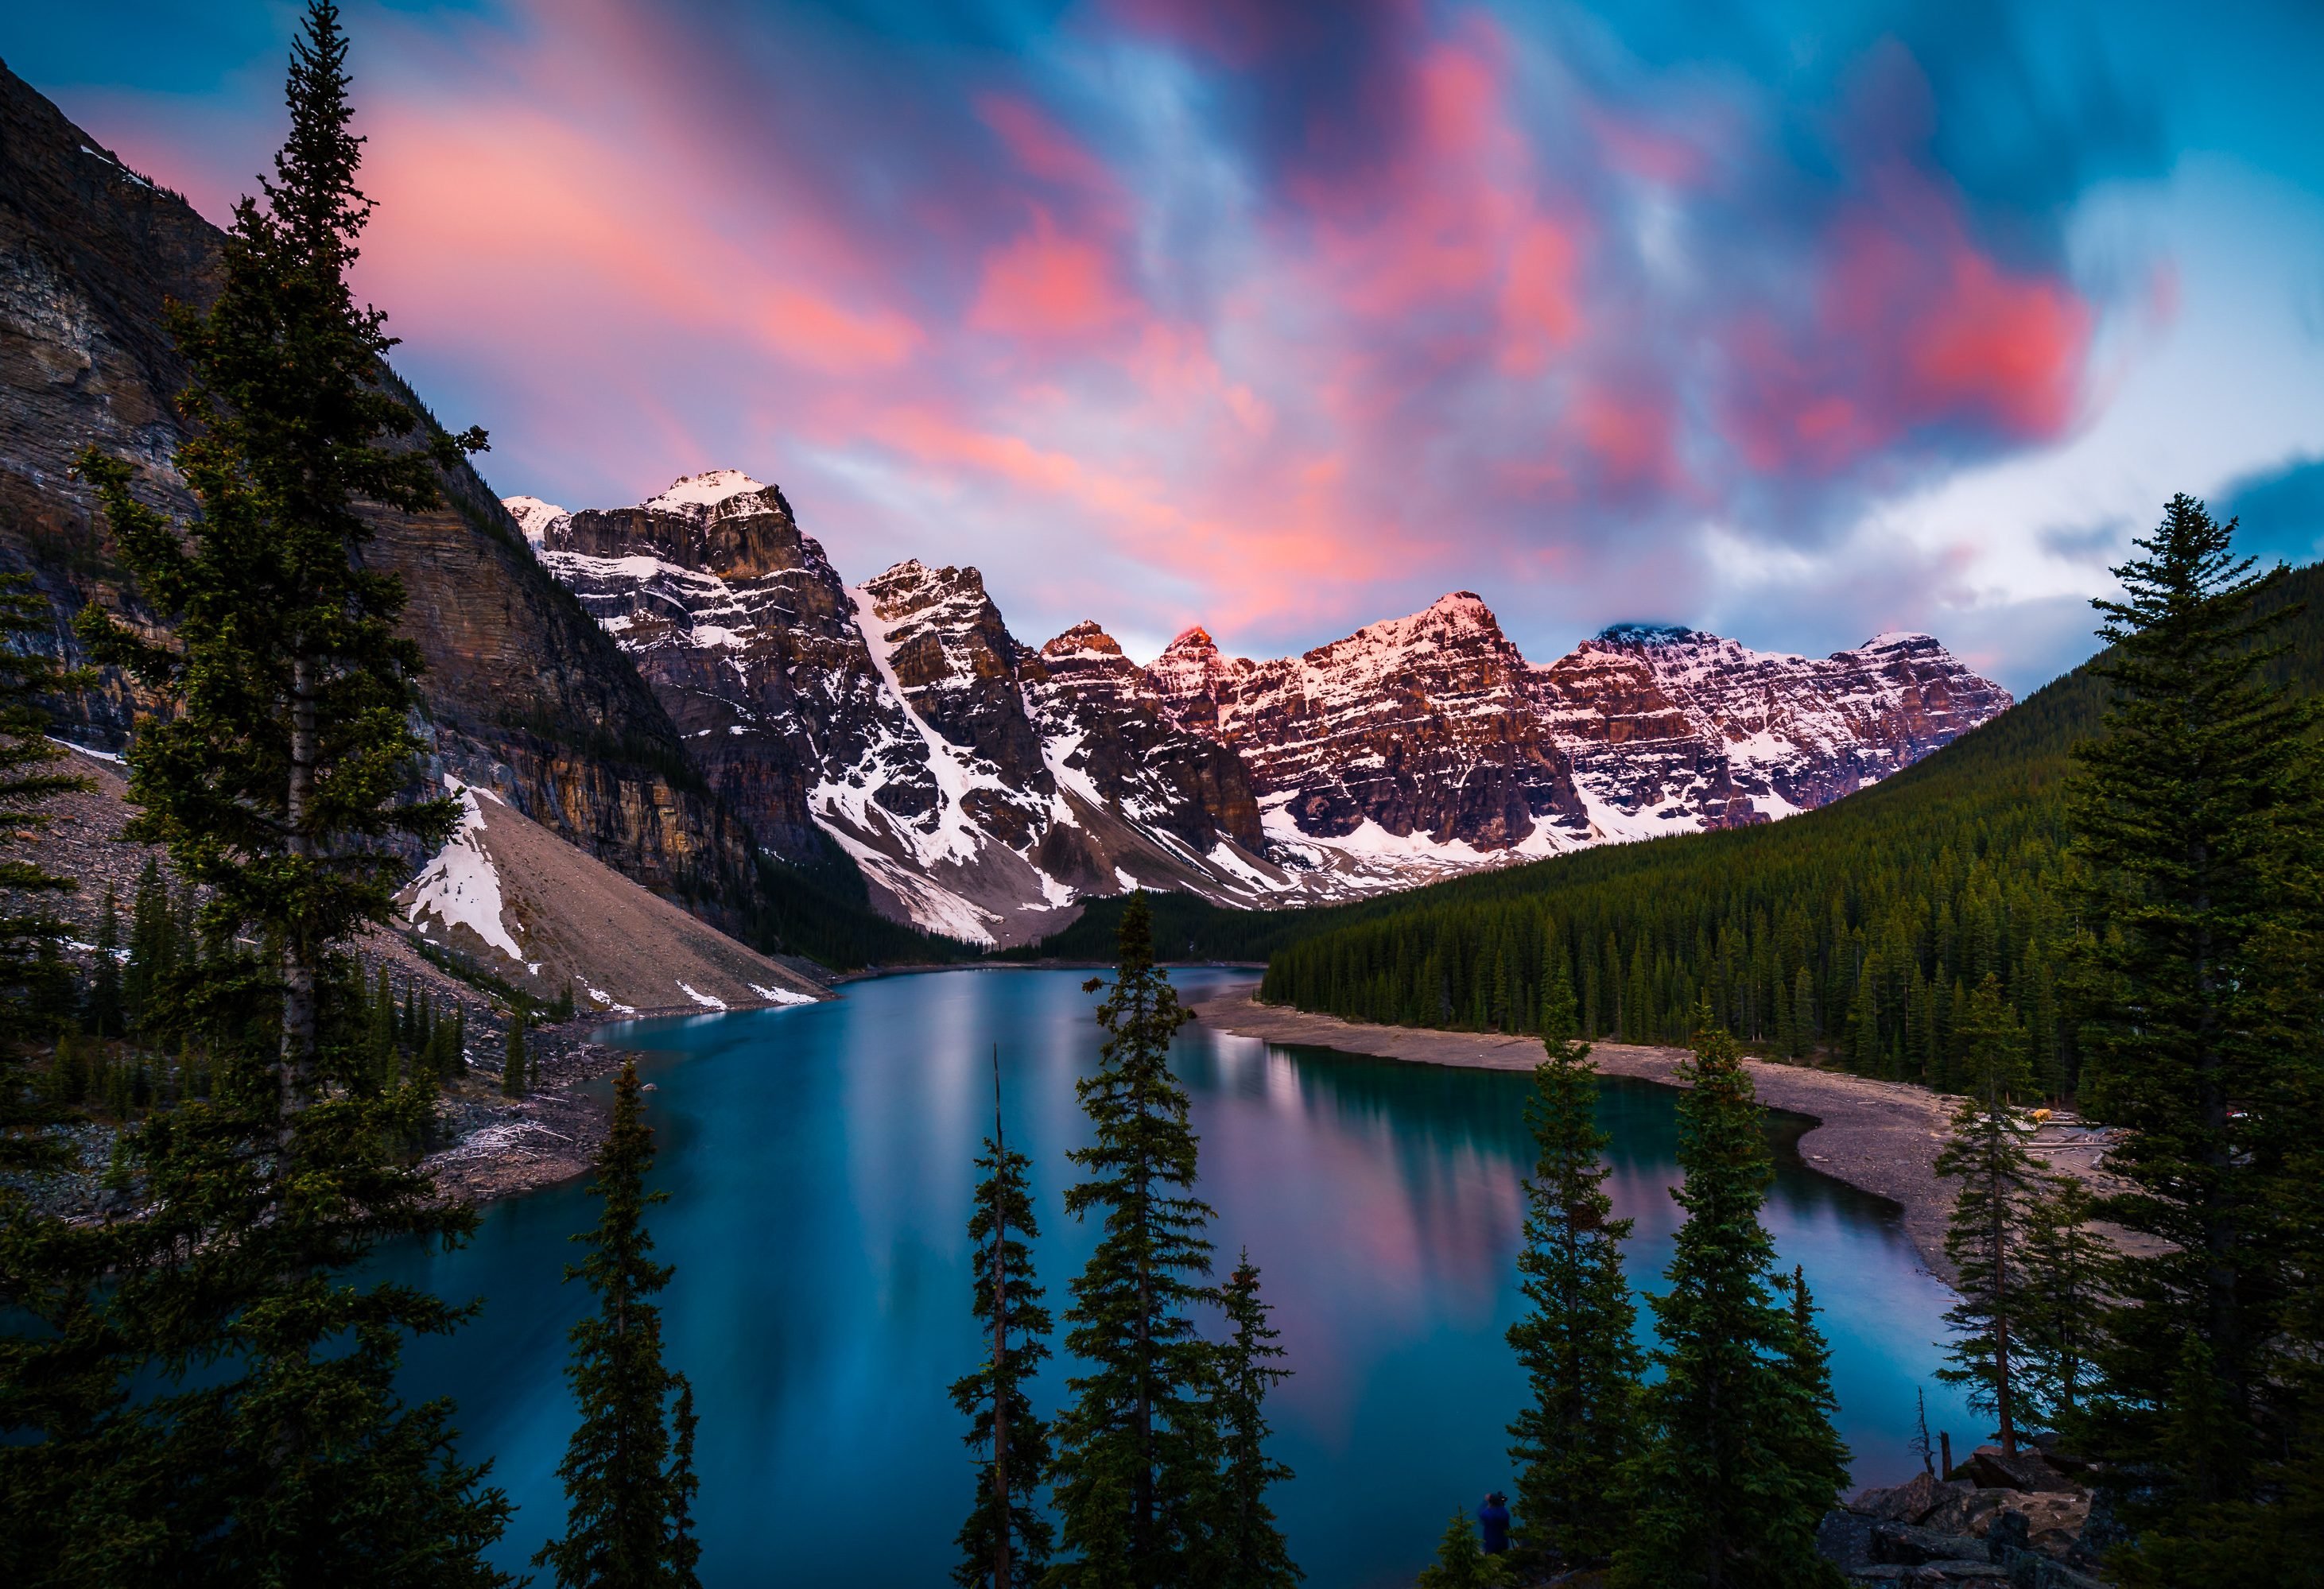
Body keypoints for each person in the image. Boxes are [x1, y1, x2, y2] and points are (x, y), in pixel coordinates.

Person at [1476, 1491, 1511, 1556]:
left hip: (1491, 1545)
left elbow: (1481, 1513)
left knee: (1491, 1561)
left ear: (1491, 1503)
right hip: (1503, 1544)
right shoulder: (1505, 1513)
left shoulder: (1489, 1515)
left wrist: (1485, 1501)